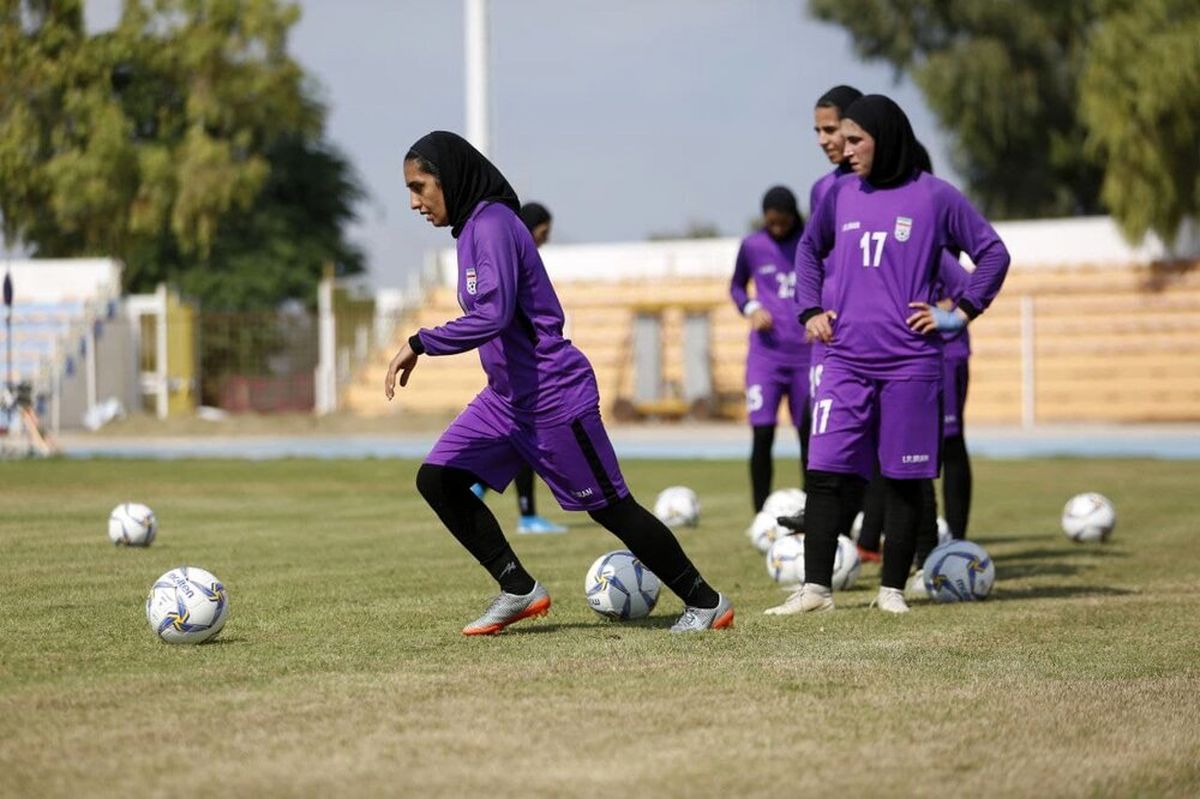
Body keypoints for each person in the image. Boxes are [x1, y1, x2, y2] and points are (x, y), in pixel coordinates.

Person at [385, 131, 733, 635]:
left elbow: (496, 314)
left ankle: (706, 602)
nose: (415, 202)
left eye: (419, 187)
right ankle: (518, 588)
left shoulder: (495, 224)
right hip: (505, 400)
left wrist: (420, 342)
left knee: (611, 508)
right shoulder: (469, 233)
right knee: (438, 478)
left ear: (449, 176)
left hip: (553, 394)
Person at [765, 95, 1009, 616]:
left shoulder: (937, 197)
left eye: (856, 141)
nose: (845, 150)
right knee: (825, 472)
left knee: (904, 477)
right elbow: (810, 250)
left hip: (911, 365)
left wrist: (959, 312)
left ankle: (892, 591)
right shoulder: (839, 195)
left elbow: (993, 252)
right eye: (842, 139)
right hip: (845, 360)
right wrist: (809, 308)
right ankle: (814, 591)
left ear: (887, 138)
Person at [470, 201, 569, 535]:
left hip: (511, 366)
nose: (546, 240)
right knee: (527, 437)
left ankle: (481, 488)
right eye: (544, 233)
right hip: (521, 368)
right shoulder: (510, 258)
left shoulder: (503, 254)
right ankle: (525, 515)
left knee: (519, 436)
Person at [729, 185, 809, 511]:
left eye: (783, 222)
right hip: (766, 356)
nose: (777, 228)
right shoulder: (752, 246)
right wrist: (750, 308)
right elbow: (736, 286)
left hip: (807, 355)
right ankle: (760, 513)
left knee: (810, 437)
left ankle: (815, 510)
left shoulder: (811, 243)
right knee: (762, 434)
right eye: (771, 222)